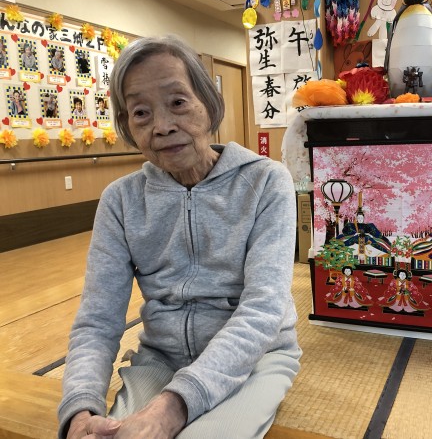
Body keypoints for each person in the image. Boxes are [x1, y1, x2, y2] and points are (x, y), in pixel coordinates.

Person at [57, 35, 301, 439]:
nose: (163, 126)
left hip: (254, 358)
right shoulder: (121, 201)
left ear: (208, 103)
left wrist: (170, 409)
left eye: (178, 102)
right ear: (127, 125)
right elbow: (98, 321)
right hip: (161, 357)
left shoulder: (265, 181)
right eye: (141, 112)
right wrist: (80, 408)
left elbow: (263, 309)